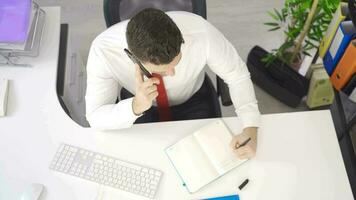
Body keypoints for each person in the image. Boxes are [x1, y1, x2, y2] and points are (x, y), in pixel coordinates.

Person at [85, 8, 261, 159]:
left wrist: (251, 128)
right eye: (161, 71)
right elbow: (95, 116)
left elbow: (237, 75)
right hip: (139, 104)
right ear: (132, 57)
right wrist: (135, 106)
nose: (171, 74)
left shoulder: (202, 33)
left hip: (194, 99)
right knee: (145, 159)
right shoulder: (103, 51)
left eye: (177, 62)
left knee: (212, 156)